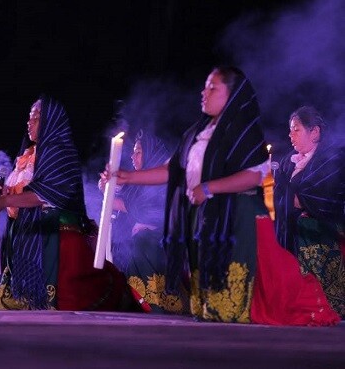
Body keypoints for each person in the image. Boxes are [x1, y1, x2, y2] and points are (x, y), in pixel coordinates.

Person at [116, 66, 271, 323]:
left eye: (213, 88)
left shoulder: (243, 129)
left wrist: (210, 188)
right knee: (206, 309)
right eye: (205, 86)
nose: (204, 93)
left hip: (235, 218)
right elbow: (172, 169)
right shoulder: (196, 133)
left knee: (229, 307)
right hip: (202, 219)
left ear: (232, 95)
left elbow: (254, 176)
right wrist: (128, 176)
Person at [0, 95, 146, 311]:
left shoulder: (60, 153)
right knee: (5, 310)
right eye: (29, 118)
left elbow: (45, 194)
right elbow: (24, 193)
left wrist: (6, 200)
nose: (29, 123)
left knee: (68, 303)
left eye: (36, 118)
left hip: (59, 240)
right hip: (28, 241)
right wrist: (2, 194)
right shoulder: (28, 155)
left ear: (50, 120)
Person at [98, 130, 186, 313]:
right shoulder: (135, 184)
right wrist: (108, 189)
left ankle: (160, 306)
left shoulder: (163, 182)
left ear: (151, 153)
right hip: (135, 239)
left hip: (162, 239)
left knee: (141, 243)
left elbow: (149, 211)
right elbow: (122, 204)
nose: (132, 156)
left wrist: (113, 200)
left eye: (138, 152)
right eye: (133, 152)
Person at [271, 106, 345, 318]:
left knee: (307, 228)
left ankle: (321, 299)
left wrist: (299, 201)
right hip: (290, 226)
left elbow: (327, 196)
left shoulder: (332, 159)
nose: (290, 135)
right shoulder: (287, 161)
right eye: (290, 130)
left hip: (324, 227)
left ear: (315, 132)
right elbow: (281, 194)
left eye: (296, 129)